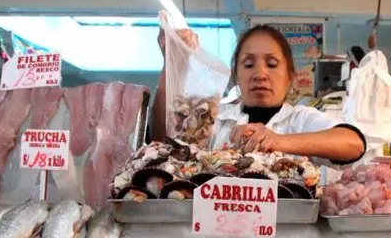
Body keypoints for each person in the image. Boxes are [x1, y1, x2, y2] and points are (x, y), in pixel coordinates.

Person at [152, 24, 366, 167]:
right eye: (248, 64)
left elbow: (354, 143)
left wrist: (278, 141)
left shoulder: (299, 120)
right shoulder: (214, 118)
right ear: (236, 76)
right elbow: (162, 141)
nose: (260, 74)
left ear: (290, 77)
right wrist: (172, 63)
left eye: (272, 64)